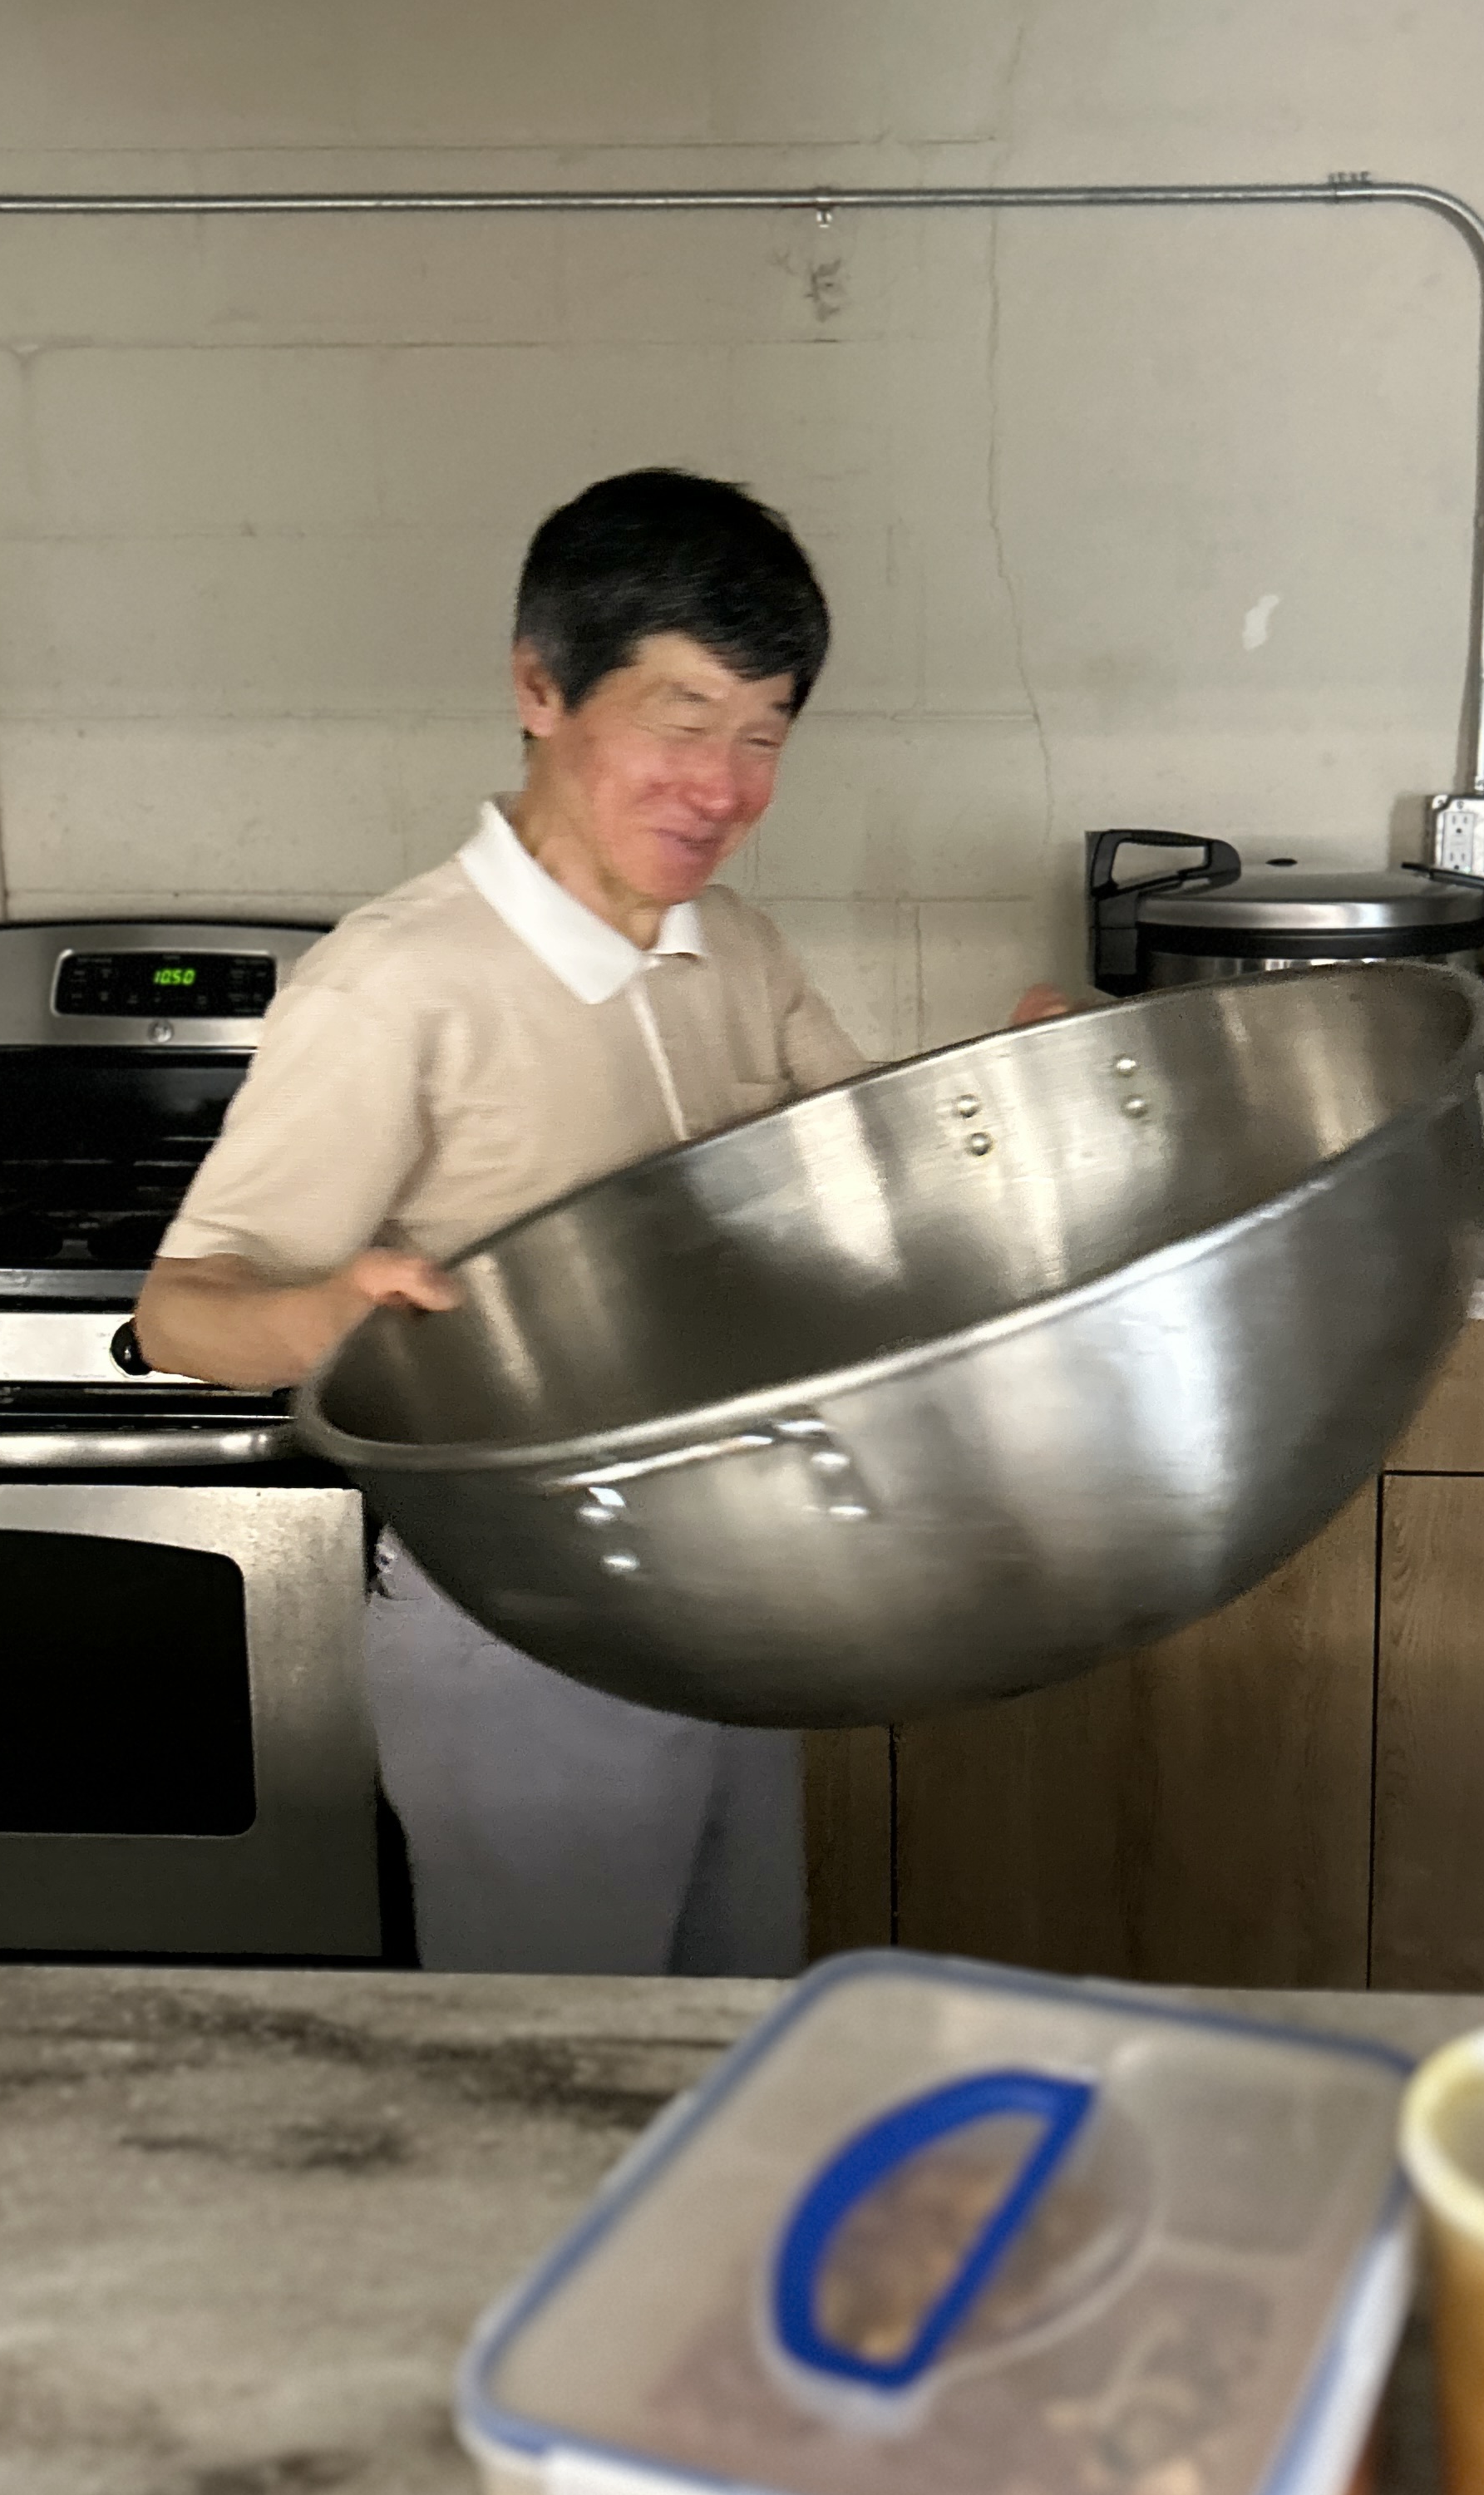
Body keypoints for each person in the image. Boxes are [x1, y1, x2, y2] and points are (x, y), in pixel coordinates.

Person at [137, 466, 1060, 1975]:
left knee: (727, 2018)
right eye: (682, 721)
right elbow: (179, 1310)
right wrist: (328, 1315)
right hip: (521, 1634)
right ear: (540, 688)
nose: (725, 786)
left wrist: (1022, 1098)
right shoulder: (397, 983)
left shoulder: (734, 945)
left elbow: (875, 1170)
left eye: (764, 734)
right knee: (560, 2064)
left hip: (736, 1594)